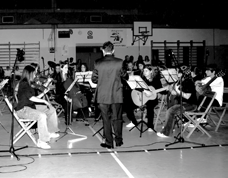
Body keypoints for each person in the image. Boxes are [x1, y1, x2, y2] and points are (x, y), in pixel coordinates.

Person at [92, 41, 128, 149]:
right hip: (117, 94)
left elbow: (94, 79)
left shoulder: (97, 62)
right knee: (117, 118)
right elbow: (125, 77)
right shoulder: (120, 62)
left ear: (103, 51)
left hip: (102, 95)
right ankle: (119, 140)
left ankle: (109, 142)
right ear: (113, 50)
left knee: (106, 119)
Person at [15, 65, 60, 149]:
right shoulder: (23, 84)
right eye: (34, 73)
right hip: (23, 110)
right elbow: (31, 98)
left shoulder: (29, 83)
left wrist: (43, 94)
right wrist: (44, 101)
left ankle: (50, 131)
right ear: (29, 74)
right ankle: (42, 141)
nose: (35, 75)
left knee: (51, 109)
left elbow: (34, 98)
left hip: (31, 106)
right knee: (41, 116)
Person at [157, 65, 198, 137]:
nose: (175, 73)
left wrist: (177, 90)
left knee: (171, 111)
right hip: (183, 103)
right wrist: (173, 89)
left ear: (181, 74)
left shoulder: (188, 82)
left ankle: (166, 133)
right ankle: (169, 127)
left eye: (177, 72)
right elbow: (176, 93)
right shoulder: (180, 81)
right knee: (171, 108)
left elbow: (187, 96)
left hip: (190, 105)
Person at [141, 64, 167, 132]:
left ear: (151, 71)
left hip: (153, 99)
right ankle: (134, 121)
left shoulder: (156, 79)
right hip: (142, 98)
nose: (144, 72)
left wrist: (155, 91)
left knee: (149, 106)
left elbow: (163, 91)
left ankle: (150, 126)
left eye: (146, 71)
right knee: (128, 103)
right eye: (143, 71)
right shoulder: (142, 79)